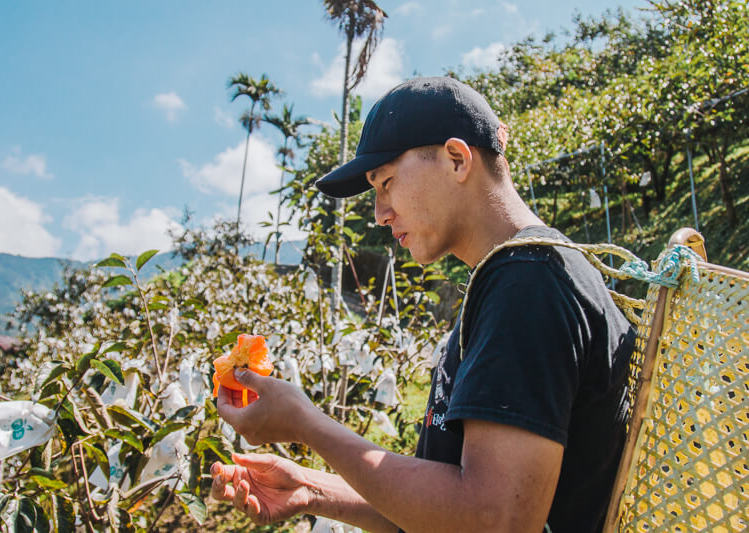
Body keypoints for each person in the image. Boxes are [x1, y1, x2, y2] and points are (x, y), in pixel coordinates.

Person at [210, 76, 635, 533]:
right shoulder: (511, 279)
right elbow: (446, 509)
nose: (379, 212)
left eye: (387, 182)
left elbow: (494, 521)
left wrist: (307, 425)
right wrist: (312, 490)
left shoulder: (528, 282)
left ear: (456, 160)